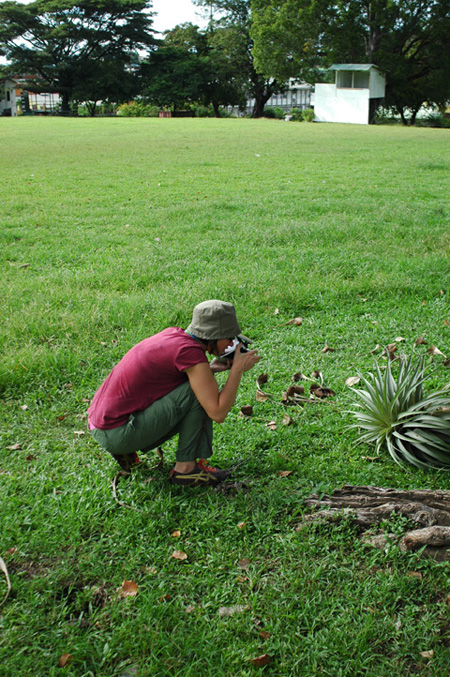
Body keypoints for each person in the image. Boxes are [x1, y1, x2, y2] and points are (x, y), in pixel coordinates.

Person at [87, 300, 260, 486]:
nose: (232, 344)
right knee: (196, 394)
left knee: (197, 387)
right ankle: (185, 470)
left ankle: (127, 450)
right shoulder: (190, 353)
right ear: (214, 337)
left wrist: (209, 369)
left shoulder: (175, 336)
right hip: (116, 432)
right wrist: (237, 371)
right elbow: (217, 412)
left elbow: (166, 379)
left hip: (101, 423)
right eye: (229, 338)